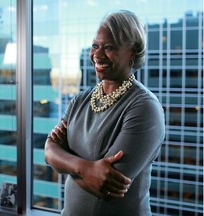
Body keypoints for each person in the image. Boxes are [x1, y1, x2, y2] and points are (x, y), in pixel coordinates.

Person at [44, 10, 165, 216]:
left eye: (109, 47)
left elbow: (106, 186)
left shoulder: (144, 108)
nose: (97, 55)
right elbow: (49, 152)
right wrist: (86, 168)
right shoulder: (80, 100)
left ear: (132, 52)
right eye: (95, 46)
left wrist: (65, 159)